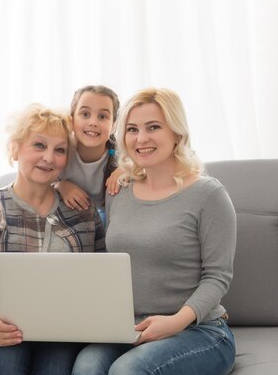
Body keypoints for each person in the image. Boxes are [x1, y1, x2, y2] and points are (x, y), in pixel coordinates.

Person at [72, 88, 237, 375]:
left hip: (199, 331)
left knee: (127, 370)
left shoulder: (209, 194)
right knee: (86, 366)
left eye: (153, 127)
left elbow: (218, 276)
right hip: (131, 328)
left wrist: (174, 322)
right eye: (132, 129)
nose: (141, 138)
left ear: (177, 133)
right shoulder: (118, 190)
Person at [0, 103, 105, 375]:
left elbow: (101, 273)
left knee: (57, 366)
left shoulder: (82, 211)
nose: (49, 157)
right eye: (39, 145)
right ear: (15, 149)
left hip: (60, 331)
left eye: (59, 150)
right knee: (9, 356)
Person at [54, 85, 123, 219]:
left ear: (114, 125)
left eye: (102, 116)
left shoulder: (122, 155)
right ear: (72, 119)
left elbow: (147, 170)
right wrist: (59, 186)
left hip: (107, 222)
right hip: (67, 220)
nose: (93, 122)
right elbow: (39, 184)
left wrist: (128, 170)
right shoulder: (59, 149)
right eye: (85, 114)